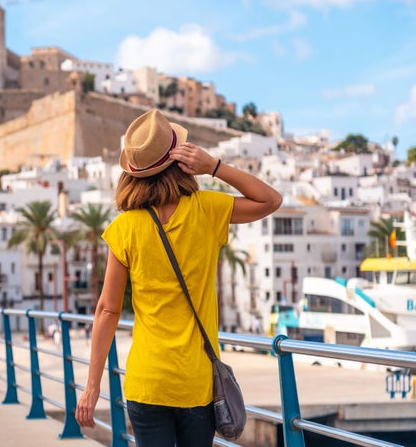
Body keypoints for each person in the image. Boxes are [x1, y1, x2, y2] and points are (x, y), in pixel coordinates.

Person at [75, 109, 282, 446]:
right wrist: (214, 166)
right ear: (180, 159)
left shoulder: (124, 228)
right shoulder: (207, 209)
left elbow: (108, 311)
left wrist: (93, 387)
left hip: (147, 381)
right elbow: (271, 200)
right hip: (195, 383)